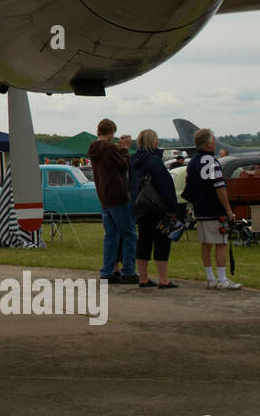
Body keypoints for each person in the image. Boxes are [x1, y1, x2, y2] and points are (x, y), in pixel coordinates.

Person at [182, 129, 242, 289]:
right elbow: (219, 187)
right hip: (215, 210)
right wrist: (228, 210)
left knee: (206, 244)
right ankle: (222, 279)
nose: (216, 142)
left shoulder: (193, 162)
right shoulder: (213, 162)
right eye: (214, 140)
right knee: (221, 243)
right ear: (208, 143)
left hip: (200, 210)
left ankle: (210, 277)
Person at [89, 119, 137, 284]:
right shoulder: (110, 148)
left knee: (111, 235)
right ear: (111, 132)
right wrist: (124, 149)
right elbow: (124, 166)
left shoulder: (94, 148)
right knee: (129, 234)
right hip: (118, 196)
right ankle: (129, 270)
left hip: (104, 197)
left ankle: (107, 271)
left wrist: (118, 148)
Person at [129, 129, 179, 288]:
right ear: (153, 141)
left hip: (140, 205)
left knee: (143, 241)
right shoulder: (154, 161)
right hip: (157, 206)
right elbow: (165, 186)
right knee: (162, 241)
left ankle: (143, 277)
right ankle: (163, 279)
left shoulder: (134, 160)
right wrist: (172, 207)